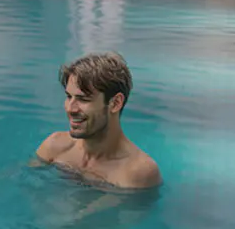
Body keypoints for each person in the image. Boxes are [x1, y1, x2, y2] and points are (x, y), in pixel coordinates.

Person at [36, 52, 161, 190]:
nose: (70, 109)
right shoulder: (55, 147)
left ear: (115, 103)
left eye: (83, 99)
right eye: (69, 97)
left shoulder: (136, 173)